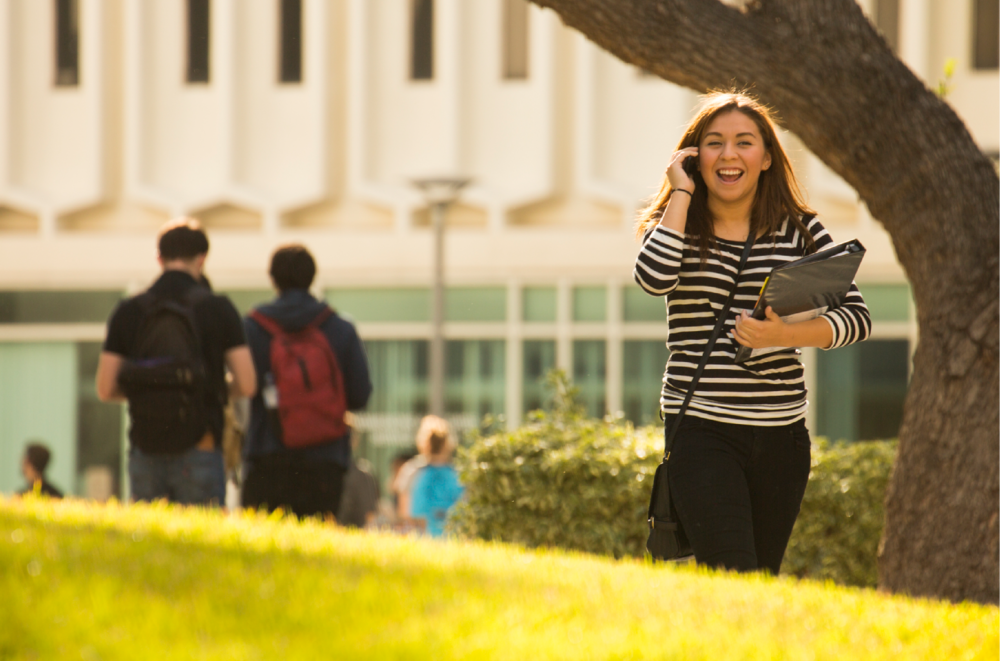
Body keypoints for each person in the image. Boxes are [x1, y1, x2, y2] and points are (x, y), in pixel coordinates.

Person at [633, 90, 871, 574]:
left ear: (765, 158)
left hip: (782, 437)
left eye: (744, 142)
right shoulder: (676, 223)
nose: (729, 154)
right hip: (702, 429)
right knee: (732, 570)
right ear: (695, 157)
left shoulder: (800, 231)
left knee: (759, 579)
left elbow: (857, 318)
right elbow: (652, 278)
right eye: (715, 142)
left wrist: (784, 335)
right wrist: (679, 191)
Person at [96, 217, 257, 505]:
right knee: (202, 544)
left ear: (159, 259)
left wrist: (148, 391)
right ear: (202, 259)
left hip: (144, 447)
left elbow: (106, 388)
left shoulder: (130, 310)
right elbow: (246, 383)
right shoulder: (217, 308)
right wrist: (216, 389)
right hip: (201, 446)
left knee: (147, 544)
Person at [241, 244, 372, 519]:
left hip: (268, 456)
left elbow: (244, 386)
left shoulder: (252, 328)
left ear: (272, 278)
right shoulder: (340, 328)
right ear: (312, 277)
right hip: (324, 460)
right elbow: (360, 395)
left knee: (262, 550)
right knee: (317, 551)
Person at [409, 417, 463, 538]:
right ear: (448, 444)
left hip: (422, 539)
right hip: (453, 538)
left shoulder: (412, 471)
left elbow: (404, 511)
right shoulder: (458, 473)